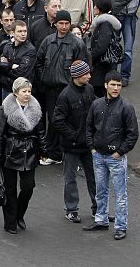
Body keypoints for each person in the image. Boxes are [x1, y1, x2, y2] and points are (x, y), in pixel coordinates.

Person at [84, 71, 139, 239]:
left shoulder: (126, 107)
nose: (116, 88)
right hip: (99, 155)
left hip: (116, 158)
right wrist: (92, 148)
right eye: (113, 85)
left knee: (120, 194)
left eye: (119, 85)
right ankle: (101, 220)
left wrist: (120, 152)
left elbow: (133, 134)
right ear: (106, 85)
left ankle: (121, 226)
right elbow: (89, 127)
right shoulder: (97, 104)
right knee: (101, 191)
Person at [0, 77, 46, 234]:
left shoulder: (35, 108)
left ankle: (19, 214)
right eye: (24, 91)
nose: (27, 94)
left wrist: (43, 150)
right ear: (15, 93)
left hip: (29, 151)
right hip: (10, 152)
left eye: (29, 91)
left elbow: (40, 131)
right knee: (9, 190)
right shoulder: (5, 109)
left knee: (28, 187)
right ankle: (10, 222)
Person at [35, 10, 88, 164]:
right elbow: (38, 61)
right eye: (61, 23)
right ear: (55, 24)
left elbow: (83, 67)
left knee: (69, 121)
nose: (64, 26)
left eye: (67, 23)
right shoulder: (48, 41)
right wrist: (44, 75)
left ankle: (68, 153)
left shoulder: (77, 44)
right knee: (53, 120)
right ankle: (55, 153)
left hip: (69, 90)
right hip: (51, 89)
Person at [53, 60, 97, 223]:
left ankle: (98, 208)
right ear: (78, 76)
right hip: (72, 145)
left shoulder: (89, 89)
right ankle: (71, 209)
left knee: (94, 177)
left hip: (88, 144)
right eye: (86, 74)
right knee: (70, 178)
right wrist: (75, 136)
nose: (90, 76)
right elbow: (58, 121)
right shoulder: (65, 95)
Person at [99, 0, 139, 87]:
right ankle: (113, 75)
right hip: (116, 15)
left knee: (128, 48)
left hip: (129, 16)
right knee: (113, 45)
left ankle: (125, 76)